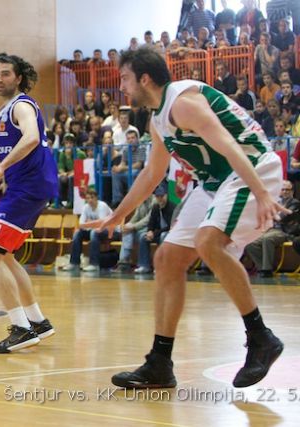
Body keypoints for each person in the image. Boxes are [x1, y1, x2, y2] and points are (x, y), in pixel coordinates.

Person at [87, 47, 287, 389]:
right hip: (215, 182)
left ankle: (260, 337)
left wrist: (263, 193)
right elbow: (153, 172)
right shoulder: (158, 119)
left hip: (251, 168)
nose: (121, 87)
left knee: (208, 242)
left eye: (124, 78)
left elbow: (228, 144)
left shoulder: (183, 102)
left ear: (144, 79)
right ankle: (160, 363)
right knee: (167, 258)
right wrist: (118, 214)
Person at [0, 53, 57, 353]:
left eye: (5, 73)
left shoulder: (21, 105)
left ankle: (20, 328)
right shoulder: (4, 111)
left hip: (29, 188)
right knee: (4, 256)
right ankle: (37, 321)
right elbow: (19, 153)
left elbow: (31, 138)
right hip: (27, 186)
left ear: (18, 77)